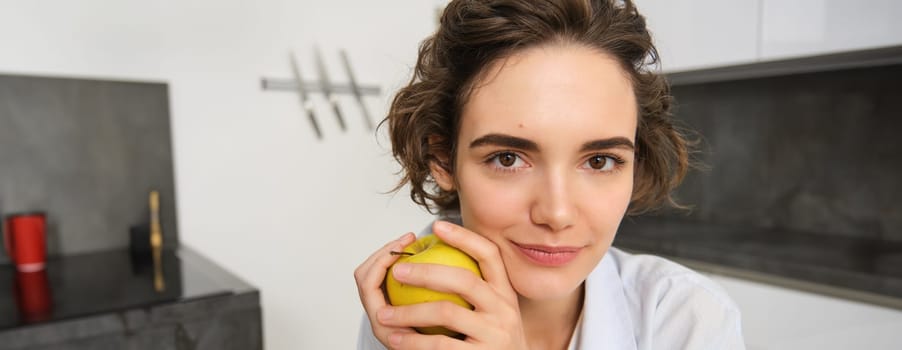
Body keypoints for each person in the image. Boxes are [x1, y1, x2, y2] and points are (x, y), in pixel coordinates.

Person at [354, 0, 745, 348]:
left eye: (599, 161)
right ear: (442, 161)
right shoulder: (413, 309)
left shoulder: (688, 321)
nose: (556, 214)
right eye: (508, 159)